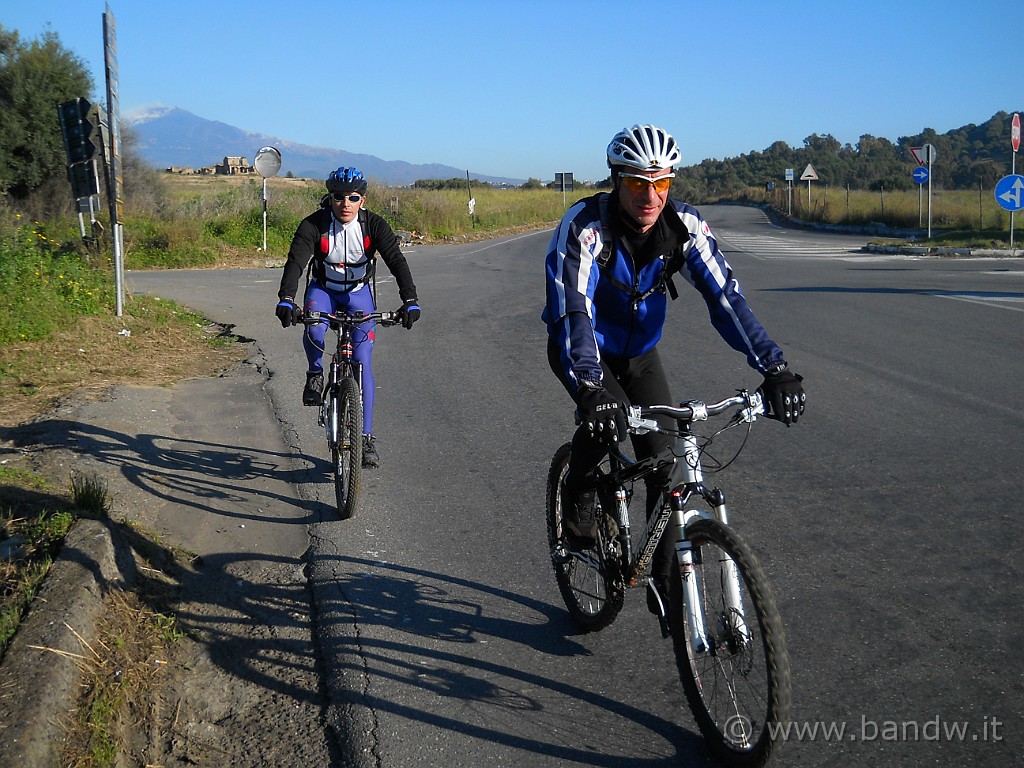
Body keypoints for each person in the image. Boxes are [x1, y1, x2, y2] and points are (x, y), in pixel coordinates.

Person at [542, 124, 805, 615]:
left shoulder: (684, 227)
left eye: (661, 183)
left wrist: (776, 368)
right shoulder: (584, 226)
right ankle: (576, 489)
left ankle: (667, 588)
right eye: (639, 183)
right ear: (617, 180)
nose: (651, 195)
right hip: (583, 351)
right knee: (603, 428)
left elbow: (727, 299)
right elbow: (573, 309)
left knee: (664, 466)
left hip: (641, 353)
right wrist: (592, 390)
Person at [275, 167, 421, 468]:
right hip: (323, 290)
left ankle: (365, 438)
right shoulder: (313, 225)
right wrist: (287, 299)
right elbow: (296, 262)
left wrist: (410, 300)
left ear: (362, 200)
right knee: (314, 329)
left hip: (357, 293)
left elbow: (396, 260)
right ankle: (315, 374)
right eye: (338, 197)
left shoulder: (374, 226)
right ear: (330, 199)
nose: (345, 203)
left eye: (352, 198)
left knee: (363, 360)